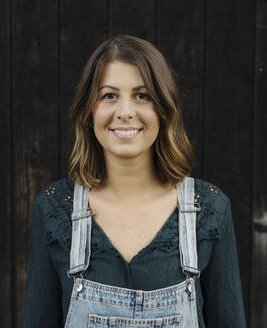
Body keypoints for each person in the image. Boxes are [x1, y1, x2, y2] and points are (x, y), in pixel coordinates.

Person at [21, 34, 246, 328]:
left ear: (163, 108)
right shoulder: (54, 210)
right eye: (109, 95)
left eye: (142, 95)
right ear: (90, 110)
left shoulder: (209, 210)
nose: (125, 112)